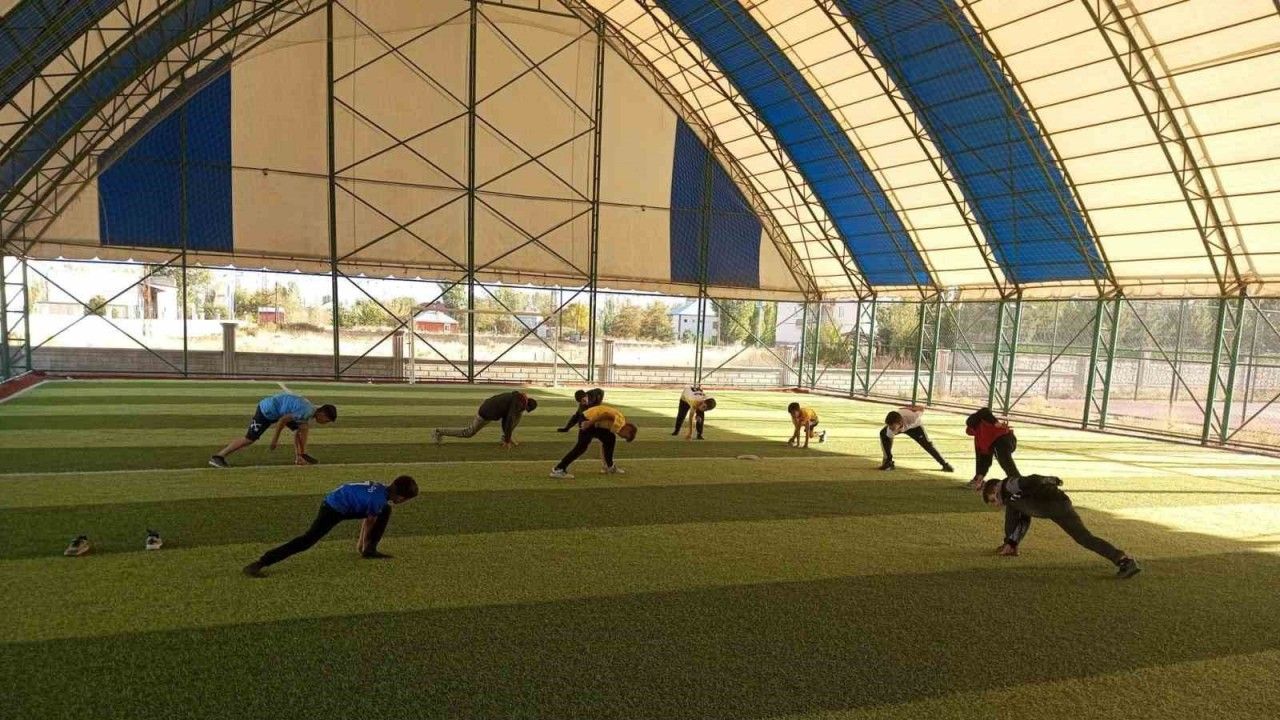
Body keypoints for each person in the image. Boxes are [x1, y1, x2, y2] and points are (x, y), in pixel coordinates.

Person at [243, 475, 419, 577]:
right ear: (401, 497)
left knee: (385, 510)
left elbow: (368, 516)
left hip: (342, 501)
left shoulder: (381, 490)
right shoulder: (378, 501)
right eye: (406, 499)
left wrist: (363, 545)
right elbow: (369, 522)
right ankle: (261, 562)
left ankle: (370, 550)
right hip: (333, 509)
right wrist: (361, 544)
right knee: (307, 540)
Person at [981, 475, 1141, 579]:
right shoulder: (1012, 499)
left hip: (1053, 504)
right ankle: (1124, 560)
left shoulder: (1008, 485)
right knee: (1085, 538)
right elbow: (1024, 519)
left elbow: (1031, 479)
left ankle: (1124, 560)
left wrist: (1049, 480)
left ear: (995, 489)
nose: (996, 505)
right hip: (1059, 505)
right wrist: (1012, 543)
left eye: (993, 500)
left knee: (1084, 538)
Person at [210, 392, 336, 468]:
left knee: (303, 428)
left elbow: (298, 429)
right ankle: (218, 457)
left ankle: (300, 457)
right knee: (249, 439)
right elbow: (282, 421)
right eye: (327, 420)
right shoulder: (306, 411)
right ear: (322, 414)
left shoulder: (310, 411)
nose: (325, 423)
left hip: (278, 411)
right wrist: (274, 440)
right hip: (266, 411)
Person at [550, 404, 637, 478]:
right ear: (628, 429)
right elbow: (606, 414)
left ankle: (609, 466)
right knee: (581, 447)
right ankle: (559, 469)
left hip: (590, 420)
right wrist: (589, 423)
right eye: (625, 436)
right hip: (588, 419)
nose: (622, 437)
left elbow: (604, 443)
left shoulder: (618, 423)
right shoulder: (620, 422)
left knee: (609, 439)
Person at [432, 390, 538, 448]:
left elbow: (506, 419)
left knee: (517, 416)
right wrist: (507, 440)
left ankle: (505, 437)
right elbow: (509, 420)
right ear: (526, 405)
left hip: (491, 409)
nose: (523, 410)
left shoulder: (518, 400)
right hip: (485, 413)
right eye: (525, 409)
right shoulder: (517, 404)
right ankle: (438, 431)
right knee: (468, 432)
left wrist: (507, 437)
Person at [880, 405, 953, 472]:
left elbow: (921, 409)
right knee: (883, 434)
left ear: (900, 423)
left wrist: (912, 408)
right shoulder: (890, 429)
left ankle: (945, 465)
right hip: (901, 426)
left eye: (892, 427)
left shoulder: (913, 417)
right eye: (889, 427)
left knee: (927, 444)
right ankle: (888, 462)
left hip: (915, 428)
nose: (890, 429)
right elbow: (889, 440)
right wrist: (887, 458)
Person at [966, 407, 1020, 491]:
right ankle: (1018, 483)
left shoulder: (982, 430)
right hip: (1007, 439)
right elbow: (985, 457)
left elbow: (985, 410)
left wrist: (995, 422)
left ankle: (1018, 484)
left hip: (1002, 441)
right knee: (1007, 465)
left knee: (1007, 465)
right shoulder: (983, 427)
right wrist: (980, 474)